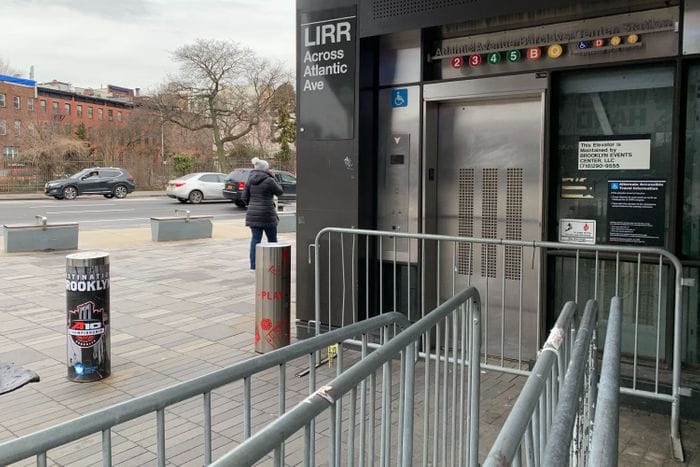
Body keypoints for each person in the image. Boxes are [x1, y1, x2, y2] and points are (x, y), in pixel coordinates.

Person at [242, 157, 283, 270]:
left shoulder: (250, 179)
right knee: (272, 239)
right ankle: (274, 264)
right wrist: (275, 178)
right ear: (266, 169)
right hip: (267, 213)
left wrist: (252, 205)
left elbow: (244, 197)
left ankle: (253, 266)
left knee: (255, 239)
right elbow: (280, 191)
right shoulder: (269, 180)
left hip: (253, 213)